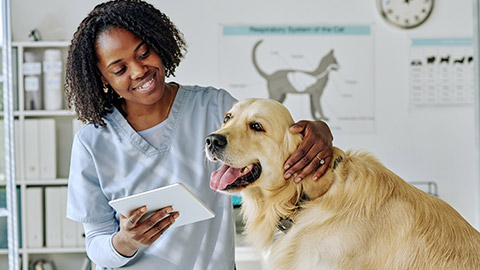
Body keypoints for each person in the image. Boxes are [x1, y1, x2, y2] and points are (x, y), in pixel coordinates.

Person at [65, 0, 334, 269]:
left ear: (157, 44)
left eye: (144, 53)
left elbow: (272, 146)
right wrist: (126, 242)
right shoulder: (92, 142)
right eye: (120, 69)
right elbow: (96, 244)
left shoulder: (216, 108)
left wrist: (317, 130)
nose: (138, 71)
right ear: (103, 78)